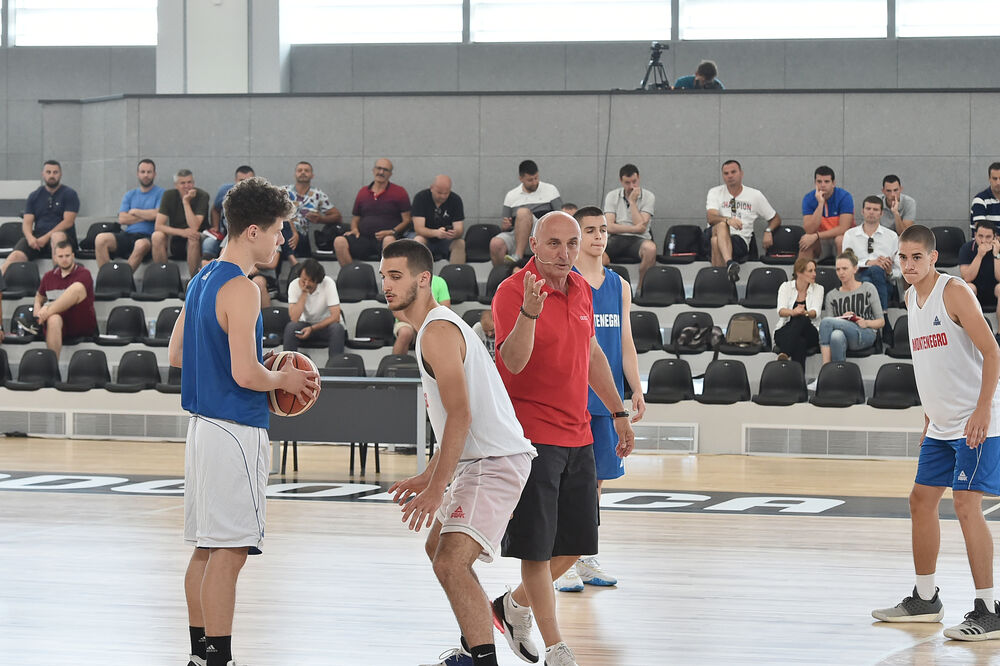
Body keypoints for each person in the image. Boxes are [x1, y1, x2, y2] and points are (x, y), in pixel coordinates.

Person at [167, 177, 318, 666]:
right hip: (234, 431)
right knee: (230, 553)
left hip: (201, 430)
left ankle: (198, 655)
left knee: (206, 551)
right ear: (252, 230)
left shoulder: (202, 277)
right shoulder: (244, 287)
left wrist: (250, 359)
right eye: (278, 231)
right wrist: (284, 383)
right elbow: (245, 373)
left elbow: (176, 354)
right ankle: (220, 658)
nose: (282, 240)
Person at [490, 211, 635, 666]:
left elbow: (591, 352)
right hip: (532, 437)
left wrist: (617, 411)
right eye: (554, 243)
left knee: (576, 543)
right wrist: (531, 312)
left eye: (571, 243)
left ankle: (513, 605)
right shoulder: (513, 291)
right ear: (534, 244)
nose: (564, 252)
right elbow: (511, 362)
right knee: (537, 546)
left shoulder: (583, 291)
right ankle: (556, 646)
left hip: (579, 432)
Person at [382, 240, 536, 666]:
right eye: (383, 277)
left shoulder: (437, 331)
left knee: (450, 562)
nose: (387, 286)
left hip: (493, 461)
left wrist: (435, 491)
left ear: (423, 279)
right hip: (481, 459)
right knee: (439, 551)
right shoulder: (432, 328)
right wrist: (431, 475)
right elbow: (455, 420)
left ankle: (480, 658)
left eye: (396, 276)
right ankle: (478, 639)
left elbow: (462, 416)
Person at [872, 224, 1000, 642]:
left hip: (978, 422)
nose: (908, 265)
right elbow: (933, 364)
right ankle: (926, 599)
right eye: (903, 258)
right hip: (941, 425)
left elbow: (992, 351)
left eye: (917, 258)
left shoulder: (955, 292)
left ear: (932, 257)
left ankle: (989, 608)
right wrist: (929, 416)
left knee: (966, 505)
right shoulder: (910, 297)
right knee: (920, 501)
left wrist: (983, 409)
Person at [553, 206, 645, 593]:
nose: (597, 236)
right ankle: (562, 559)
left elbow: (625, 342)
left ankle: (585, 555)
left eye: (602, 230)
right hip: (571, 398)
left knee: (596, 484)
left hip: (607, 402)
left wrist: (635, 387)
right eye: (589, 230)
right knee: (565, 483)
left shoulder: (619, 285)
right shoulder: (565, 281)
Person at [705, 159, 781, 283]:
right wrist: (728, 220)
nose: (729, 176)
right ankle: (729, 262)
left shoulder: (755, 195)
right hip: (712, 232)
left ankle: (719, 286)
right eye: (726, 173)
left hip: (739, 240)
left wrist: (768, 230)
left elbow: (775, 218)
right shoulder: (715, 192)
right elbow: (711, 217)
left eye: (733, 172)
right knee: (721, 225)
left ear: (741, 173)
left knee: (715, 242)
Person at [1, 160, 79, 274]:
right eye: (48, 172)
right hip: (38, 239)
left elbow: (68, 222)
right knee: (15, 255)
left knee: (57, 236)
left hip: (63, 238)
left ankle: (59, 279)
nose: (52, 175)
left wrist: (46, 237)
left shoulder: (70, 194)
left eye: (55, 172)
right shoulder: (34, 196)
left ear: (60, 174)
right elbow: (27, 222)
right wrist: (30, 237)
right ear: (43, 174)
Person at [334, 158, 410, 266]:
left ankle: (389, 280)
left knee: (389, 241)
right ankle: (351, 275)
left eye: (385, 170)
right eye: (378, 168)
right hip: (363, 239)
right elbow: (355, 218)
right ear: (373, 170)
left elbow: (407, 220)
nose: (381, 172)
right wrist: (354, 229)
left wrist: (392, 232)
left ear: (390, 174)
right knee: (339, 241)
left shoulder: (399, 192)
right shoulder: (363, 192)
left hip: (386, 239)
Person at [490, 160, 563, 267]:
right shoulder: (511, 196)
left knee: (523, 212)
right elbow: (505, 225)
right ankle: (502, 275)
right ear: (521, 179)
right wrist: (505, 226)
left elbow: (561, 216)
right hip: (518, 234)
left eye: (536, 178)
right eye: (530, 180)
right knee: (495, 243)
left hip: (542, 232)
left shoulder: (550, 190)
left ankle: (518, 256)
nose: (534, 182)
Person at [96, 159, 164, 270]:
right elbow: (122, 219)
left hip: (148, 237)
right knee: (101, 239)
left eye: (149, 172)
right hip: (128, 235)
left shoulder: (161, 193)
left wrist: (135, 212)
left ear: (154, 174)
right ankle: (107, 279)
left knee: (140, 245)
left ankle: (123, 280)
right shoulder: (130, 195)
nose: (146, 175)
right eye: (142, 172)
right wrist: (147, 216)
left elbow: (156, 215)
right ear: (138, 174)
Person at [818, 249, 884, 364]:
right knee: (835, 336)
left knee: (826, 322)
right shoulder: (831, 295)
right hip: (843, 336)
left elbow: (881, 321)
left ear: (855, 269)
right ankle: (838, 376)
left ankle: (825, 369)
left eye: (845, 268)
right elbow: (828, 330)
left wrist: (866, 322)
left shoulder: (868, 288)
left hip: (865, 332)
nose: (841, 272)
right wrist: (844, 319)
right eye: (838, 269)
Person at [34, 241, 97, 359]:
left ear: (73, 256)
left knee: (76, 287)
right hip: (59, 324)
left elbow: (76, 292)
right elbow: (39, 296)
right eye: (61, 256)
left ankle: (47, 312)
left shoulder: (84, 274)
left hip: (80, 322)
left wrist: (46, 309)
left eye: (67, 256)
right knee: (53, 319)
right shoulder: (48, 276)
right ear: (55, 258)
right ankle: (53, 368)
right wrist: (37, 310)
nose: (64, 259)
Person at [841, 195, 900, 310]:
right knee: (870, 275)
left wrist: (889, 272)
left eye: (875, 209)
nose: (871, 212)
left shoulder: (891, 236)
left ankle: (878, 319)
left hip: (884, 281)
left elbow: (899, 270)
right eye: (868, 209)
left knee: (873, 274)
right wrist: (869, 262)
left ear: (881, 213)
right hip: (857, 279)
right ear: (862, 211)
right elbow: (845, 265)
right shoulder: (850, 234)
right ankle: (883, 315)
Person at [603, 164, 657, 289]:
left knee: (651, 249)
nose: (632, 186)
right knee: (594, 250)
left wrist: (632, 202)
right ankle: (602, 289)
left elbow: (642, 228)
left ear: (639, 178)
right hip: (615, 239)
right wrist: (634, 229)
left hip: (639, 239)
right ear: (621, 181)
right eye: (627, 183)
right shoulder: (612, 196)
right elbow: (609, 227)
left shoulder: (649, 196)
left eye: (634, 181)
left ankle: (641, 289)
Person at [152, 169, 211, 278]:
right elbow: (158, 226)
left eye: (189, 182)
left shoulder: (202, 195)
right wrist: (182, 232)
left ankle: (194, 281)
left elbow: (194, 227)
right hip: (177, 235)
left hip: (198, 236)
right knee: (157, 236)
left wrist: (186, 202)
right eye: (182, 183)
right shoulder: (168, 195)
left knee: (193, 238)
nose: (187, 186)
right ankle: (163, 278)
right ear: (176, 185)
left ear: (193, 183)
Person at [282, 259, 346, 357]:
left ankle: (334, 365)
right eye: (303, 280)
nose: (306, 284)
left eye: (311, 281)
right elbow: (294, 318)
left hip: (326, 325)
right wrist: (304, 293)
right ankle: (287, 364)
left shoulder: (328, 283)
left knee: (337, 329)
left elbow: (335, 317)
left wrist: (312, 329)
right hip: (305, 324)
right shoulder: (294, 285)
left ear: (318, 280)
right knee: (291, 328)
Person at [284, 161, 342, 260]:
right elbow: (271, 212)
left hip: (303, 236)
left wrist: (320, 219)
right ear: (295, 174)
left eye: (306, 171)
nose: (303, 172)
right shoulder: (284, 192)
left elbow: (337, 216)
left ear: (312, 175)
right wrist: (293, 231)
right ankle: (292, 259)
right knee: (284, 227)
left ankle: (292, 258)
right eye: (299, 170)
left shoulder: (317, 194)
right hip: (283, 232)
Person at [773, 257, 823, 369]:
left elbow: (816, 313)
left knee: (802, 318)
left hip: (811, 332)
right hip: (786, 330)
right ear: (799, 273)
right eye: (810, 271)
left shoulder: (819, 288)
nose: (814, 274)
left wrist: (804, 313)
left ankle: (785, 353)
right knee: (799, 342)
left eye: (815, 270)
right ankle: (799, 382)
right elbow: (781, 311)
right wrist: (794, 312)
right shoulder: (785, 287)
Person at [800, 165, 854, 260]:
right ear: (815, 183)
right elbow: (809, 230)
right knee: (805, 241)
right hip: (821, 242)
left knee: (840, 240)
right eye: (819, 182)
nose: (822, 185)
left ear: (833, 183)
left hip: (839, 238)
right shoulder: (808, 198)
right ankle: (802, 274)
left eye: (827, 181)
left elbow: (843, 228)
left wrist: (817, 235)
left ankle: (842, 273)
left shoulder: (845, 197)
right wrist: (820, 204)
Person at [412, 175, 466, 263]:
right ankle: (419, 275)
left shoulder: (456, 200)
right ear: (432, 188)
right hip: (426, 238)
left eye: (446, 193)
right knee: (418, 241)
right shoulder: (421, 198)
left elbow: (459, 228)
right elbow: (418, 229)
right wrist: (436, 233)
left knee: (460, 243)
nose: (443, 196)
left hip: (446, 240)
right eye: (439, 193)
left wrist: (455, 233)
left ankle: (456, 274)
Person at [206, 166, 256, 260]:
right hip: (226, 233)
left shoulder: (261, 194)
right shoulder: (225, 191)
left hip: (249, 234)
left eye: (249, 180)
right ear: (235, 181)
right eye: (241, 180)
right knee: (208, 243)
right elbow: (215, 209)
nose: (245, 184)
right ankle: (206, 270)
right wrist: (216, 227)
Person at [393, 275, 450, 355]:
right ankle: (395, 364)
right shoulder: (403, 281)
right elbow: (397, 312)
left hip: (432, 322)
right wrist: (417, 325)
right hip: (407, 322)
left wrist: (428, 324)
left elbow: (445, 309)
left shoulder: (440, 281)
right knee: (405, 332)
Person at [958, 221, 1000, 311]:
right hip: (975, 290)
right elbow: (967, 278)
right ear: (975, 235)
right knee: (968, 288)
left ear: (995, 237)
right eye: (980, 236)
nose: (983, 240)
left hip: (995, 291)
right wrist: (979, 255)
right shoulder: (966, 248)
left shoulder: (998, 248)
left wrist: (996, 255)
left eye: (988, 237)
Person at [971, 162, 1000, 236]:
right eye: (994, 178)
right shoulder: (980, 200)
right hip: (985, 244)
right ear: (989, 179)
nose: (998, 182)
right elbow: (982, 232)